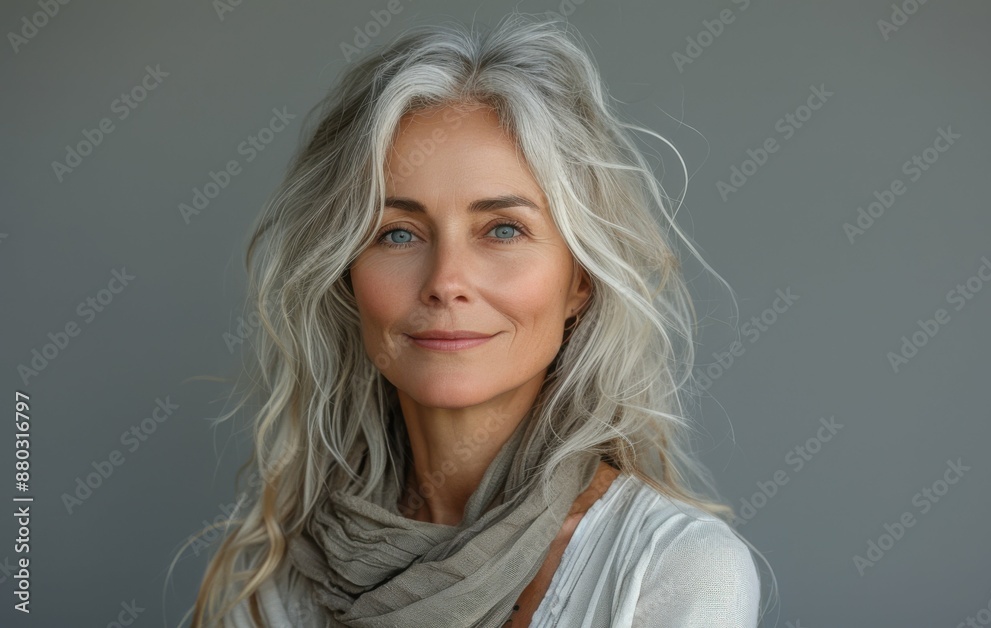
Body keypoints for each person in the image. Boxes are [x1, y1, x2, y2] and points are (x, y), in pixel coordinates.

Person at [179, 12, 768, 628]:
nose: (445, 282)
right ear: (347, 276)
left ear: (581, 281)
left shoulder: (672, 571)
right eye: (398, 233)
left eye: (504, 229)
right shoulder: (280, 576)